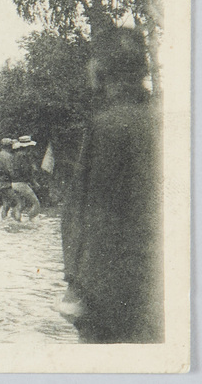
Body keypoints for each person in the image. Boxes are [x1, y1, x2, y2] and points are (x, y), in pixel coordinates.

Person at [60, 27, 162, 343]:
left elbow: (96, 216)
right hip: (158, 285)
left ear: (101, 67)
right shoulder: (161, 119)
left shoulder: (109, 126)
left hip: (110, 287)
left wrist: (77, 286)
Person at [10, 136, 42, 219]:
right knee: (36, 204)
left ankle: (16, 221)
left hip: (14, 183)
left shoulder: (16, 155)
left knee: (20, 204)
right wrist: (33, 182)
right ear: (28, 146)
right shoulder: (24, 156)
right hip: (21, 183)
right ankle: (30, 220)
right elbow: (26, 171)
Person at [0, 138, 19, 219]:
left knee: (6, 204)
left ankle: (4, 220)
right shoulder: (8, 156)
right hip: (7, 182)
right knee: (17, 202)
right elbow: (10, 170)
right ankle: (16, 220)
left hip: (1, 182)